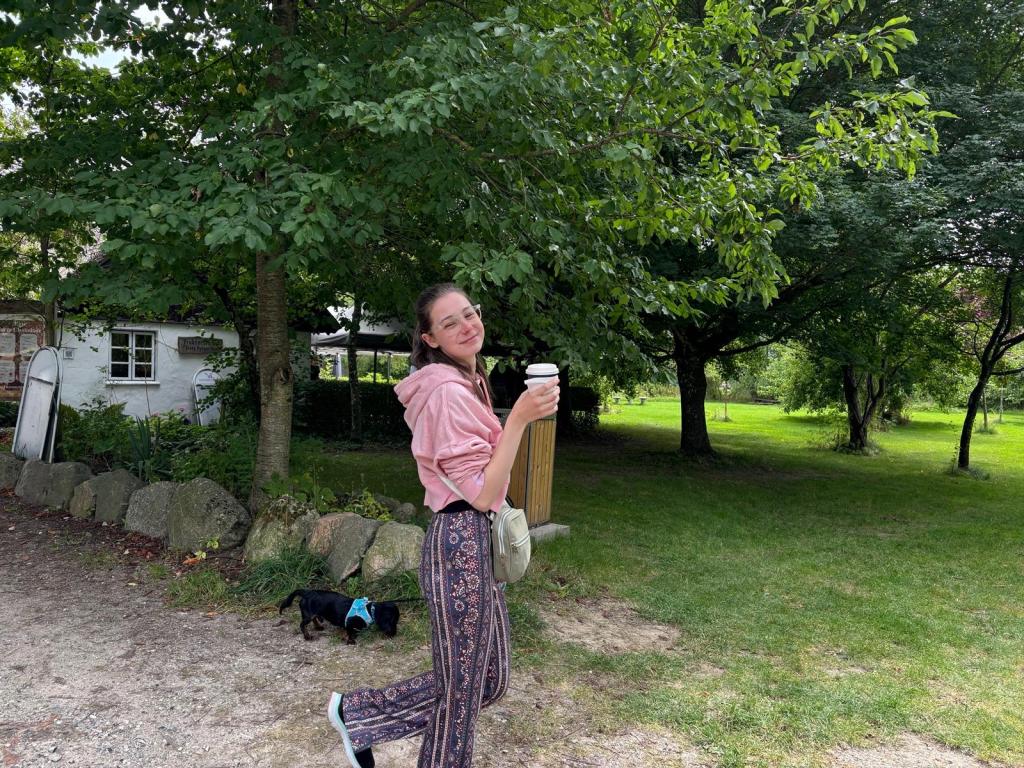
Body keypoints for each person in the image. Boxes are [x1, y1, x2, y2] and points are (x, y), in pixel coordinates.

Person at [326, 283, 559, 768]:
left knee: (486, 681)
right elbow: (483, 493)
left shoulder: (468, 380)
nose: (466, 326)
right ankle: (363, 718)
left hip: (477, 539)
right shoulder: (446, 393)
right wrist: (518, 419)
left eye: (470, 314)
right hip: (459, 542)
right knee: (463, 689)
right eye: (450, 322)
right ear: (430, 338)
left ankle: (359, 713)